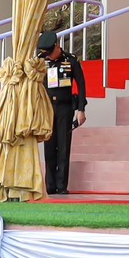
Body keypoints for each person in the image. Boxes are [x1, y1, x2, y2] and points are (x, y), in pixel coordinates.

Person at [39, 30, 87, 195]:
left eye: (50, 52)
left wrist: (81, 109)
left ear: (57, 46)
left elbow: (81, 84)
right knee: (49, 146)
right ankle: (50, 185)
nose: (48, 56)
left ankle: (61, 185)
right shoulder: (41, 61)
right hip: (47, 108)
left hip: (65, 108)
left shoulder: (70, 60)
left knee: (64, 146)